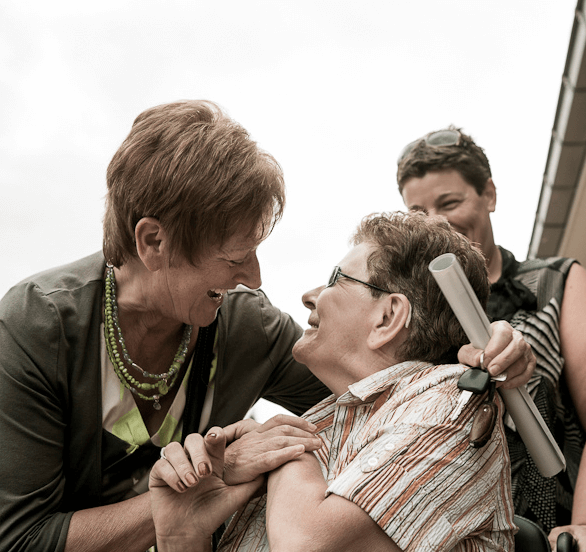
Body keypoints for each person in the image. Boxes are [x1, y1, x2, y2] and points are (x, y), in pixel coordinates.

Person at [0, 103, 533, 552]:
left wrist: (492, 353)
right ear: (154, 242)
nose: (254, 279)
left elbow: (397, 375)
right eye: (235, 254)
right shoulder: (39, 324)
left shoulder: (246, 328)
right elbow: (19, 538)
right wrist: (207, 487)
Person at [148, 211, 516, 552]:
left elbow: (304, 544)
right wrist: (183, 535)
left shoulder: (450, 407)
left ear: (388, 317)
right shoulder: (329, 416)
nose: (309, 297)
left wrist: (285, 447)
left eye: (335, 281)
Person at [395, 127, 586, 552]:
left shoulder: (554, 284)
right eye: (418, 212)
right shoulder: (410, 317)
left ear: (489, 195)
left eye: (450, 202)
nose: (436, 222)